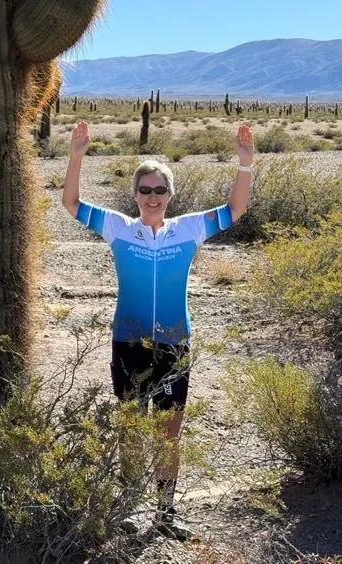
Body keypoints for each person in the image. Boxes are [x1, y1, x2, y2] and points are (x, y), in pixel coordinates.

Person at [62, 121, 254, 539]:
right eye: (145, 190)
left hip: (174, 342)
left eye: (159, 190)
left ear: (170, 195)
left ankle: (166, 512)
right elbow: (72, 203)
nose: (152, 197)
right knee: (131, 424)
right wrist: (76, 158)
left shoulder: (187, 229)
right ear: (135, 195)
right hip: (128, 340)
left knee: (169, 430)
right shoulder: (118, 227)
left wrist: (245, 165)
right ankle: (128, 507)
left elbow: (235, 210)